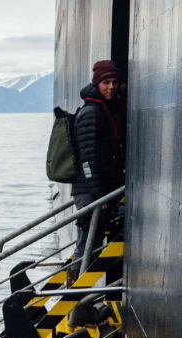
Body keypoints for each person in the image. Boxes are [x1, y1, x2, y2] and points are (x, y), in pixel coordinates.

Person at [70, 59, 126, 277]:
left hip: (100, 191)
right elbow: (87, 159)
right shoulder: (91, 113)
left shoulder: (104, 110)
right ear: (97, 84)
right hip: (90, 192)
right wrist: (97, 195)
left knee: (91, 247)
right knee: (86, 248)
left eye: (114, 82)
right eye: (106, 83)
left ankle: (80, 303)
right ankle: (73, 300)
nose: (111, 87)